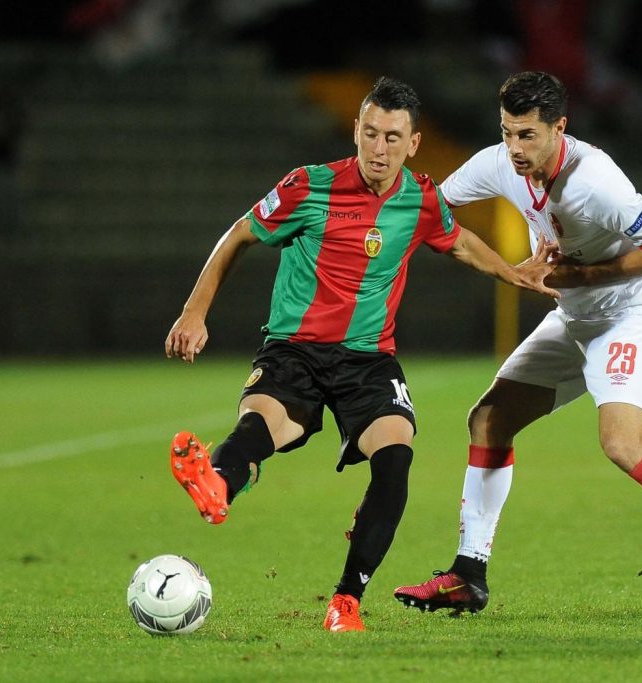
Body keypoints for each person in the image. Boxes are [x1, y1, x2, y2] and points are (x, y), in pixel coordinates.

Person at [164, 76, 558, 633]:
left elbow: (461, 241)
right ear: (355, 130)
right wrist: (194, 311)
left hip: (368, 361)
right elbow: (240, 234)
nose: (379, 149)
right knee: (263, 422)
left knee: (395, 457)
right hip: (294, 349)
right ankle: (219, 483)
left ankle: (346, 600)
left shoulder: (421, 198)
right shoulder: (309, 186)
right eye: (370, 134)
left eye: (393, 138)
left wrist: (513, 273)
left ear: (414, 143)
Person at [393, 71, 642, 621]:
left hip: (631, 316)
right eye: (506, 133)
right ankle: (468, 575)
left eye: (527, 135)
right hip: (573, 318)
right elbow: (432, 210)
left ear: (559, 128)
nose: (515, 149)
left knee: (622, 444)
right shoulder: (498, 163)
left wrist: (586, 274)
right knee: (489, 421)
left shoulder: (596, 180)